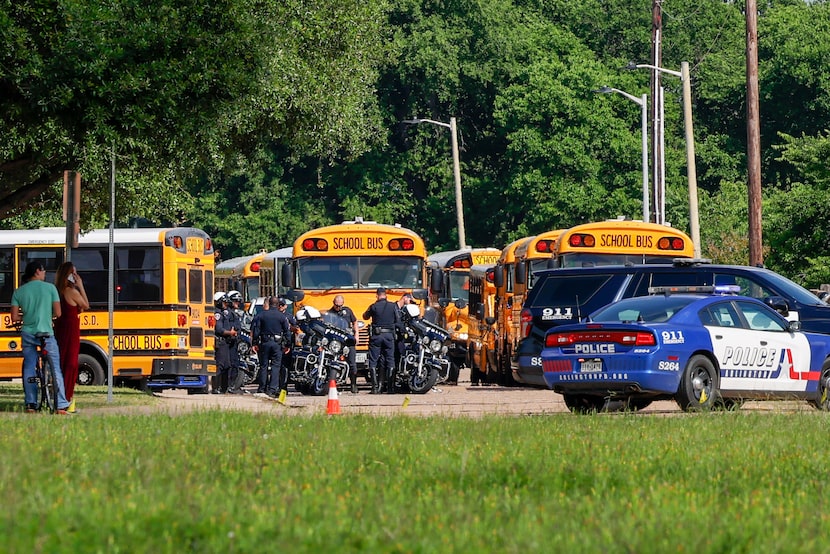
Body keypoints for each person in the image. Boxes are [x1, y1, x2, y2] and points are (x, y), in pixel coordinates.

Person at [11, 261, 71, 414]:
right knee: (55, 367)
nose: (45, 274)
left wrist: (27, 317)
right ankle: (61, 405)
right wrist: (46, 316)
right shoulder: (50, 288)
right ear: (38, 271)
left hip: (28, 333)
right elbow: (58, 313)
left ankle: (31, 404)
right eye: (44, 271)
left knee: (29, 366)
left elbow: (14, 317)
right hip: (47, 333)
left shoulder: (19, 292)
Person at [53, 261, 90, 413]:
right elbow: (86, 305)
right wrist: (80, 285)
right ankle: (65, 398)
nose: (76, 276)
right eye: (74, 274)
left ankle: (59, 396)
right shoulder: (71, 291)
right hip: (71, 330)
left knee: (61, 362)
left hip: (60, 329)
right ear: (69, 275)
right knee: (71, 363)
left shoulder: (57, 291)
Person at [251, 296, 291, 401]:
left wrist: (254, 343)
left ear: (269, 303)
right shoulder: (282, 317)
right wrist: (288, 345)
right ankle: (272, 389)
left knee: (263, 366)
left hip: (264, 342)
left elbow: (256, 330)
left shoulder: (262, 315)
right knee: (275, 366)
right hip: (277, 344)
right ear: (278, 305)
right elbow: (287, 332)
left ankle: (262, 388)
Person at [362, 287, 400, 394]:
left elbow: (365, 316)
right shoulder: (393, 306)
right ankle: (390, 388)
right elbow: (398, 320)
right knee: (390, 360)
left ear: (377, 295)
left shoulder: (374, 306)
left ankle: (375, 388)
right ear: (386, 295)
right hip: (389, 336)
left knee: (373, 360)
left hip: (377, 336)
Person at [213, 292, 243, 394]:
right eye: (224, 302)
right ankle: (216, 388)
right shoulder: (218, 314)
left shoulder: (226, 313)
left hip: (226, 342)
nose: (226, 304)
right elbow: (219, 329)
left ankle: (224, 388)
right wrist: (230, 332)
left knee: (227, 366)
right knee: (220, 366)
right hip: (221, 342)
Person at [329, 294, 360, 393]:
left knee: (352, 363)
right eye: (336, 305)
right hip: (337, 342)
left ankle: (354, 384)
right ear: (333, 303)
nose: (338, 307)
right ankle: (335, 383)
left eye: (340, 305)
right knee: (335, 362)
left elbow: (355, 321)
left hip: (348, 340)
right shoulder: (330, 313)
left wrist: (356, 335)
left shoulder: (347, 311)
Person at [394, 293, 413, 371]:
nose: (410, 302)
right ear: (405, 298)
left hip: (400, 336)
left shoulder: (403, 310)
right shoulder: (393, 307)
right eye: (410, 300)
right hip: (393, 336)